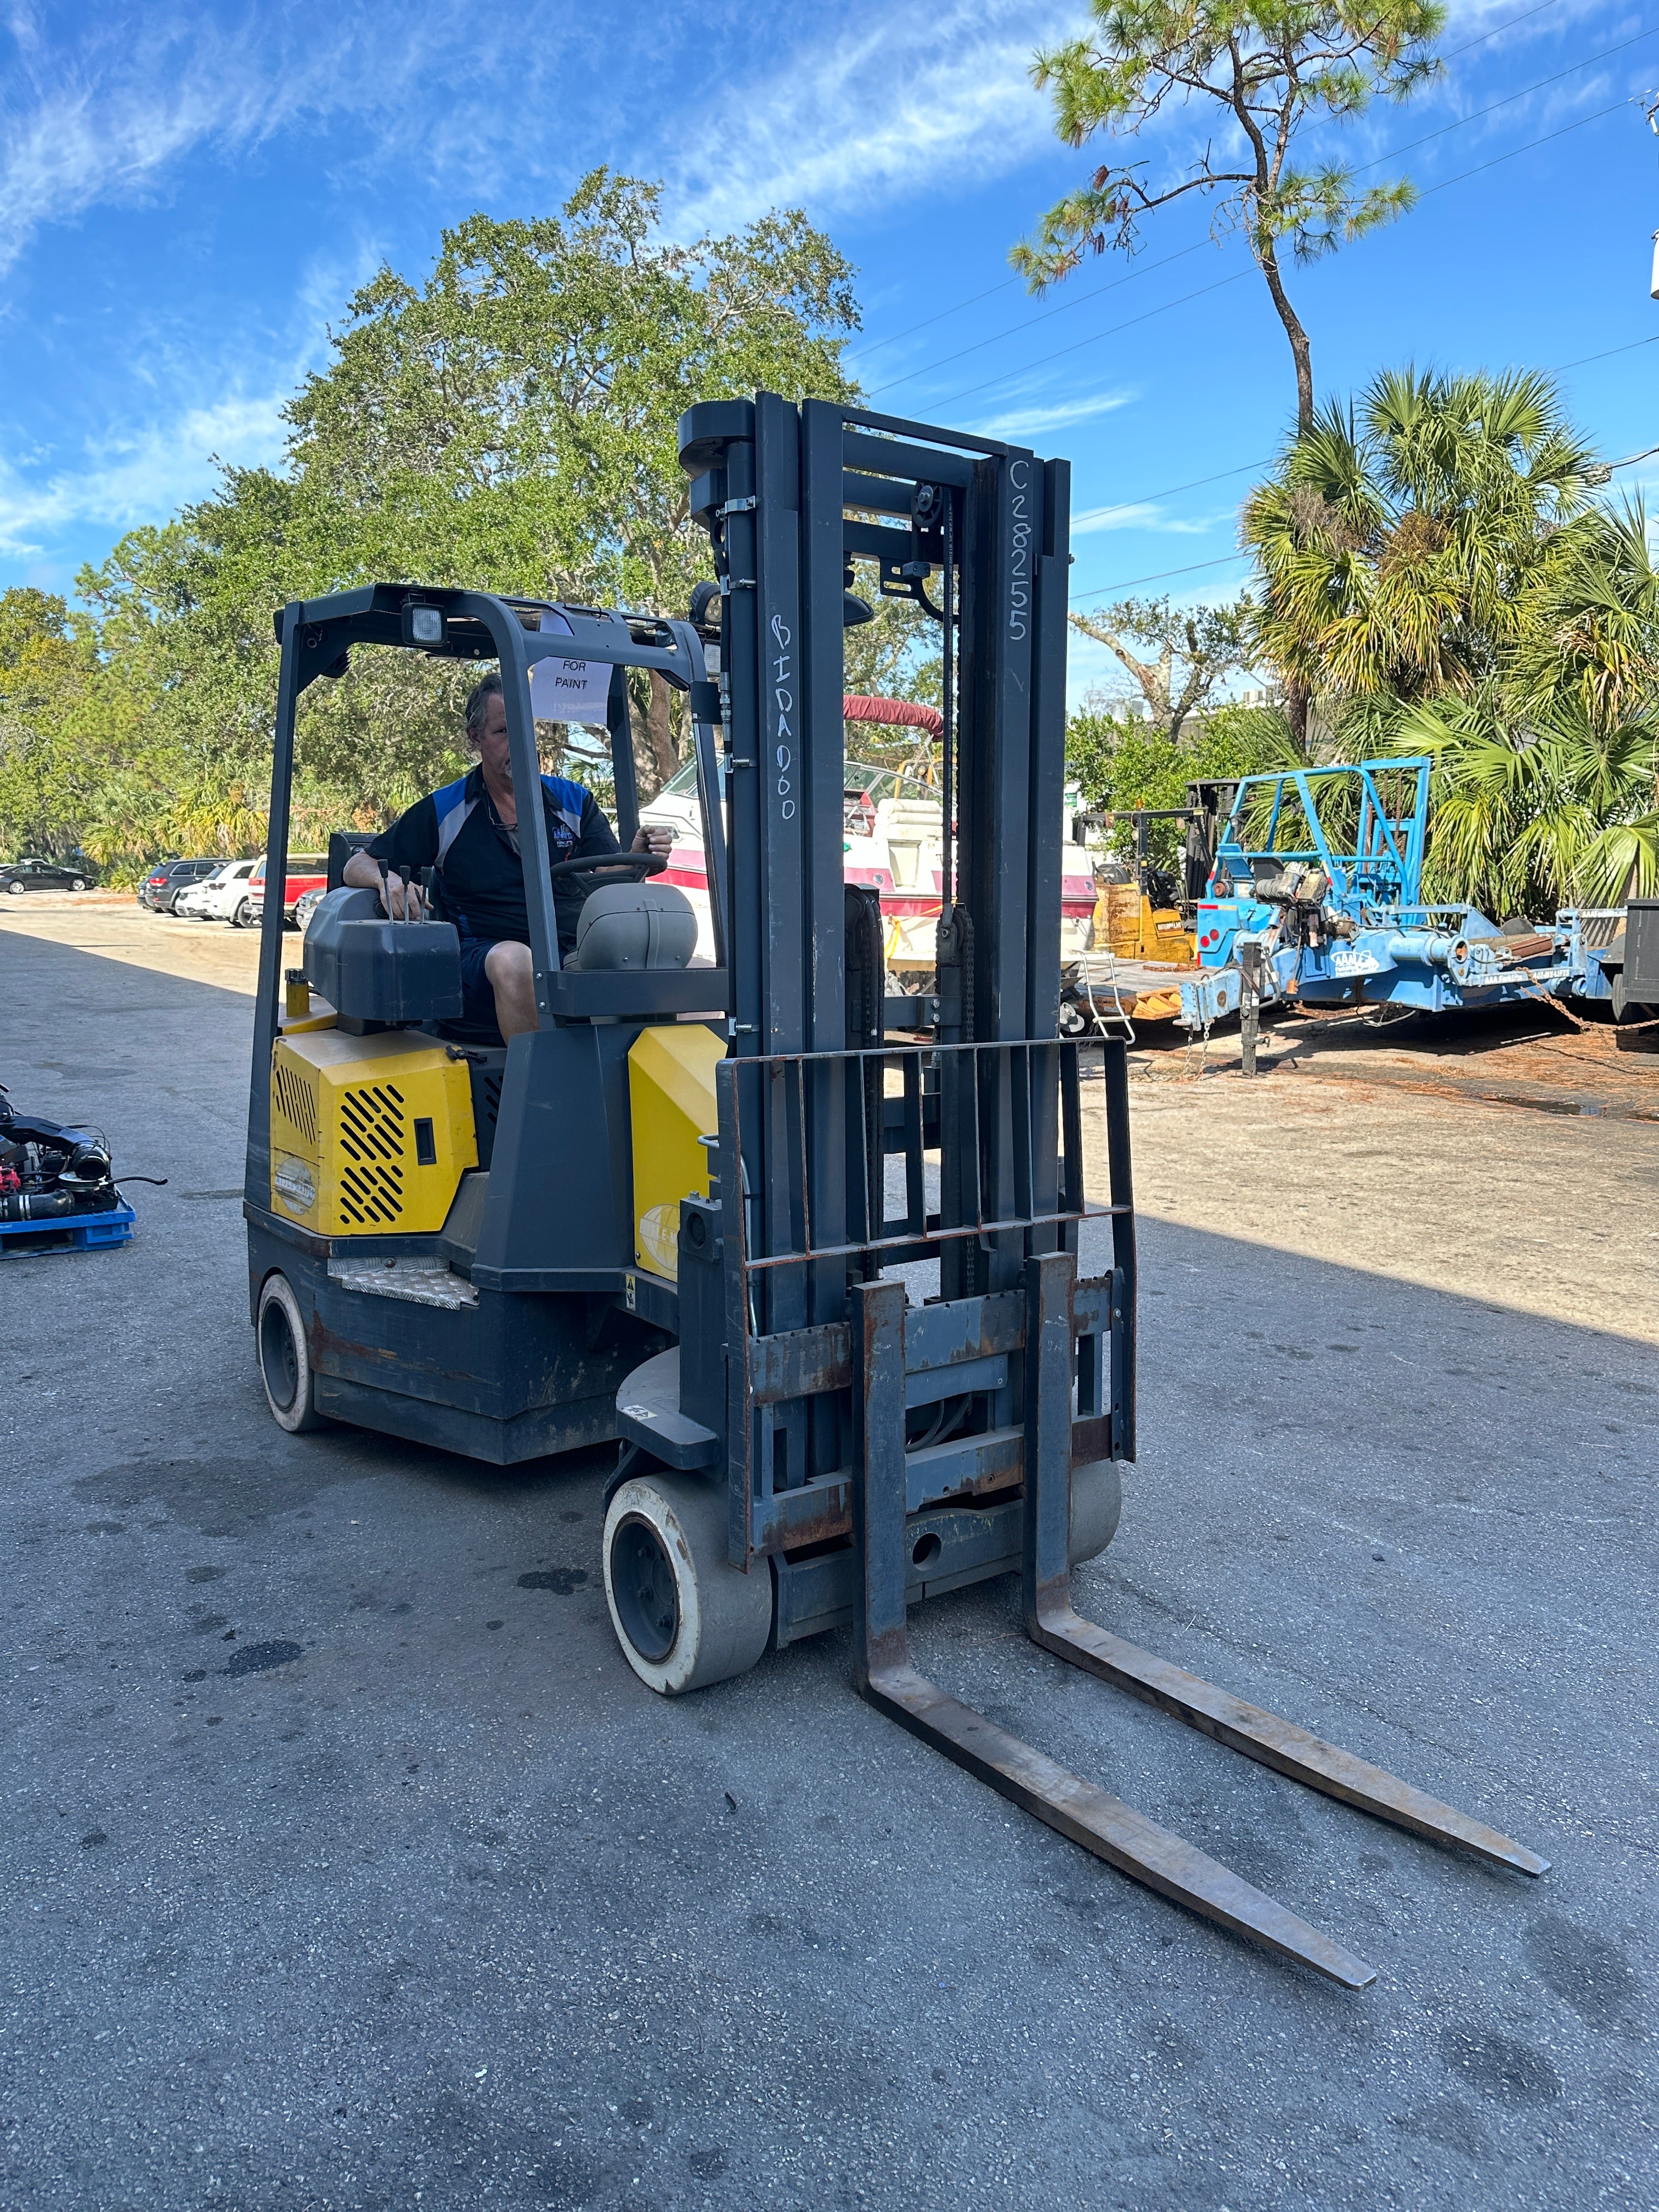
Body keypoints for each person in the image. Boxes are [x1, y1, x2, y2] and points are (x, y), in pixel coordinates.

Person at [343, 672, 671, 1041]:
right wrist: (387, 881)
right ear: (476, 738)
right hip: (482, 958)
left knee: (659, 959)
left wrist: (637, 855)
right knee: (515, 960)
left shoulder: (572, 801)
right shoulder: (445, 810)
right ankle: (545, 1092)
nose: (518, 742)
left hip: (568, 948)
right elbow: (357, 864)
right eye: (503, 732)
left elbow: (608, 873)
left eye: (524, 729)